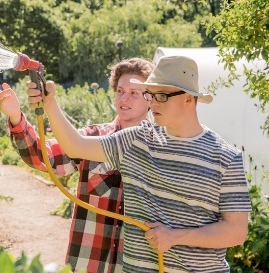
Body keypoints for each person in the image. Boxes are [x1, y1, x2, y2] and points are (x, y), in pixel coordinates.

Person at [22, 55, 252, 272]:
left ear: (188, 99)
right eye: (150, 95)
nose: (152, 103)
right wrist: (50, 104)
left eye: (161, 96)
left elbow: (236, 231)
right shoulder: (137, 140)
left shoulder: (226, 157)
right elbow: (76, 146)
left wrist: (177, 236)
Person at [0, 57, 155, 273]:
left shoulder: (160, 150)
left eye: (134, 93)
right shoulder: (91, 139)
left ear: (151, 99)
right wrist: (16, 117)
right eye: (120, 91)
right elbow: (43, 157)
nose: (124, 98)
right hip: (88, 264)